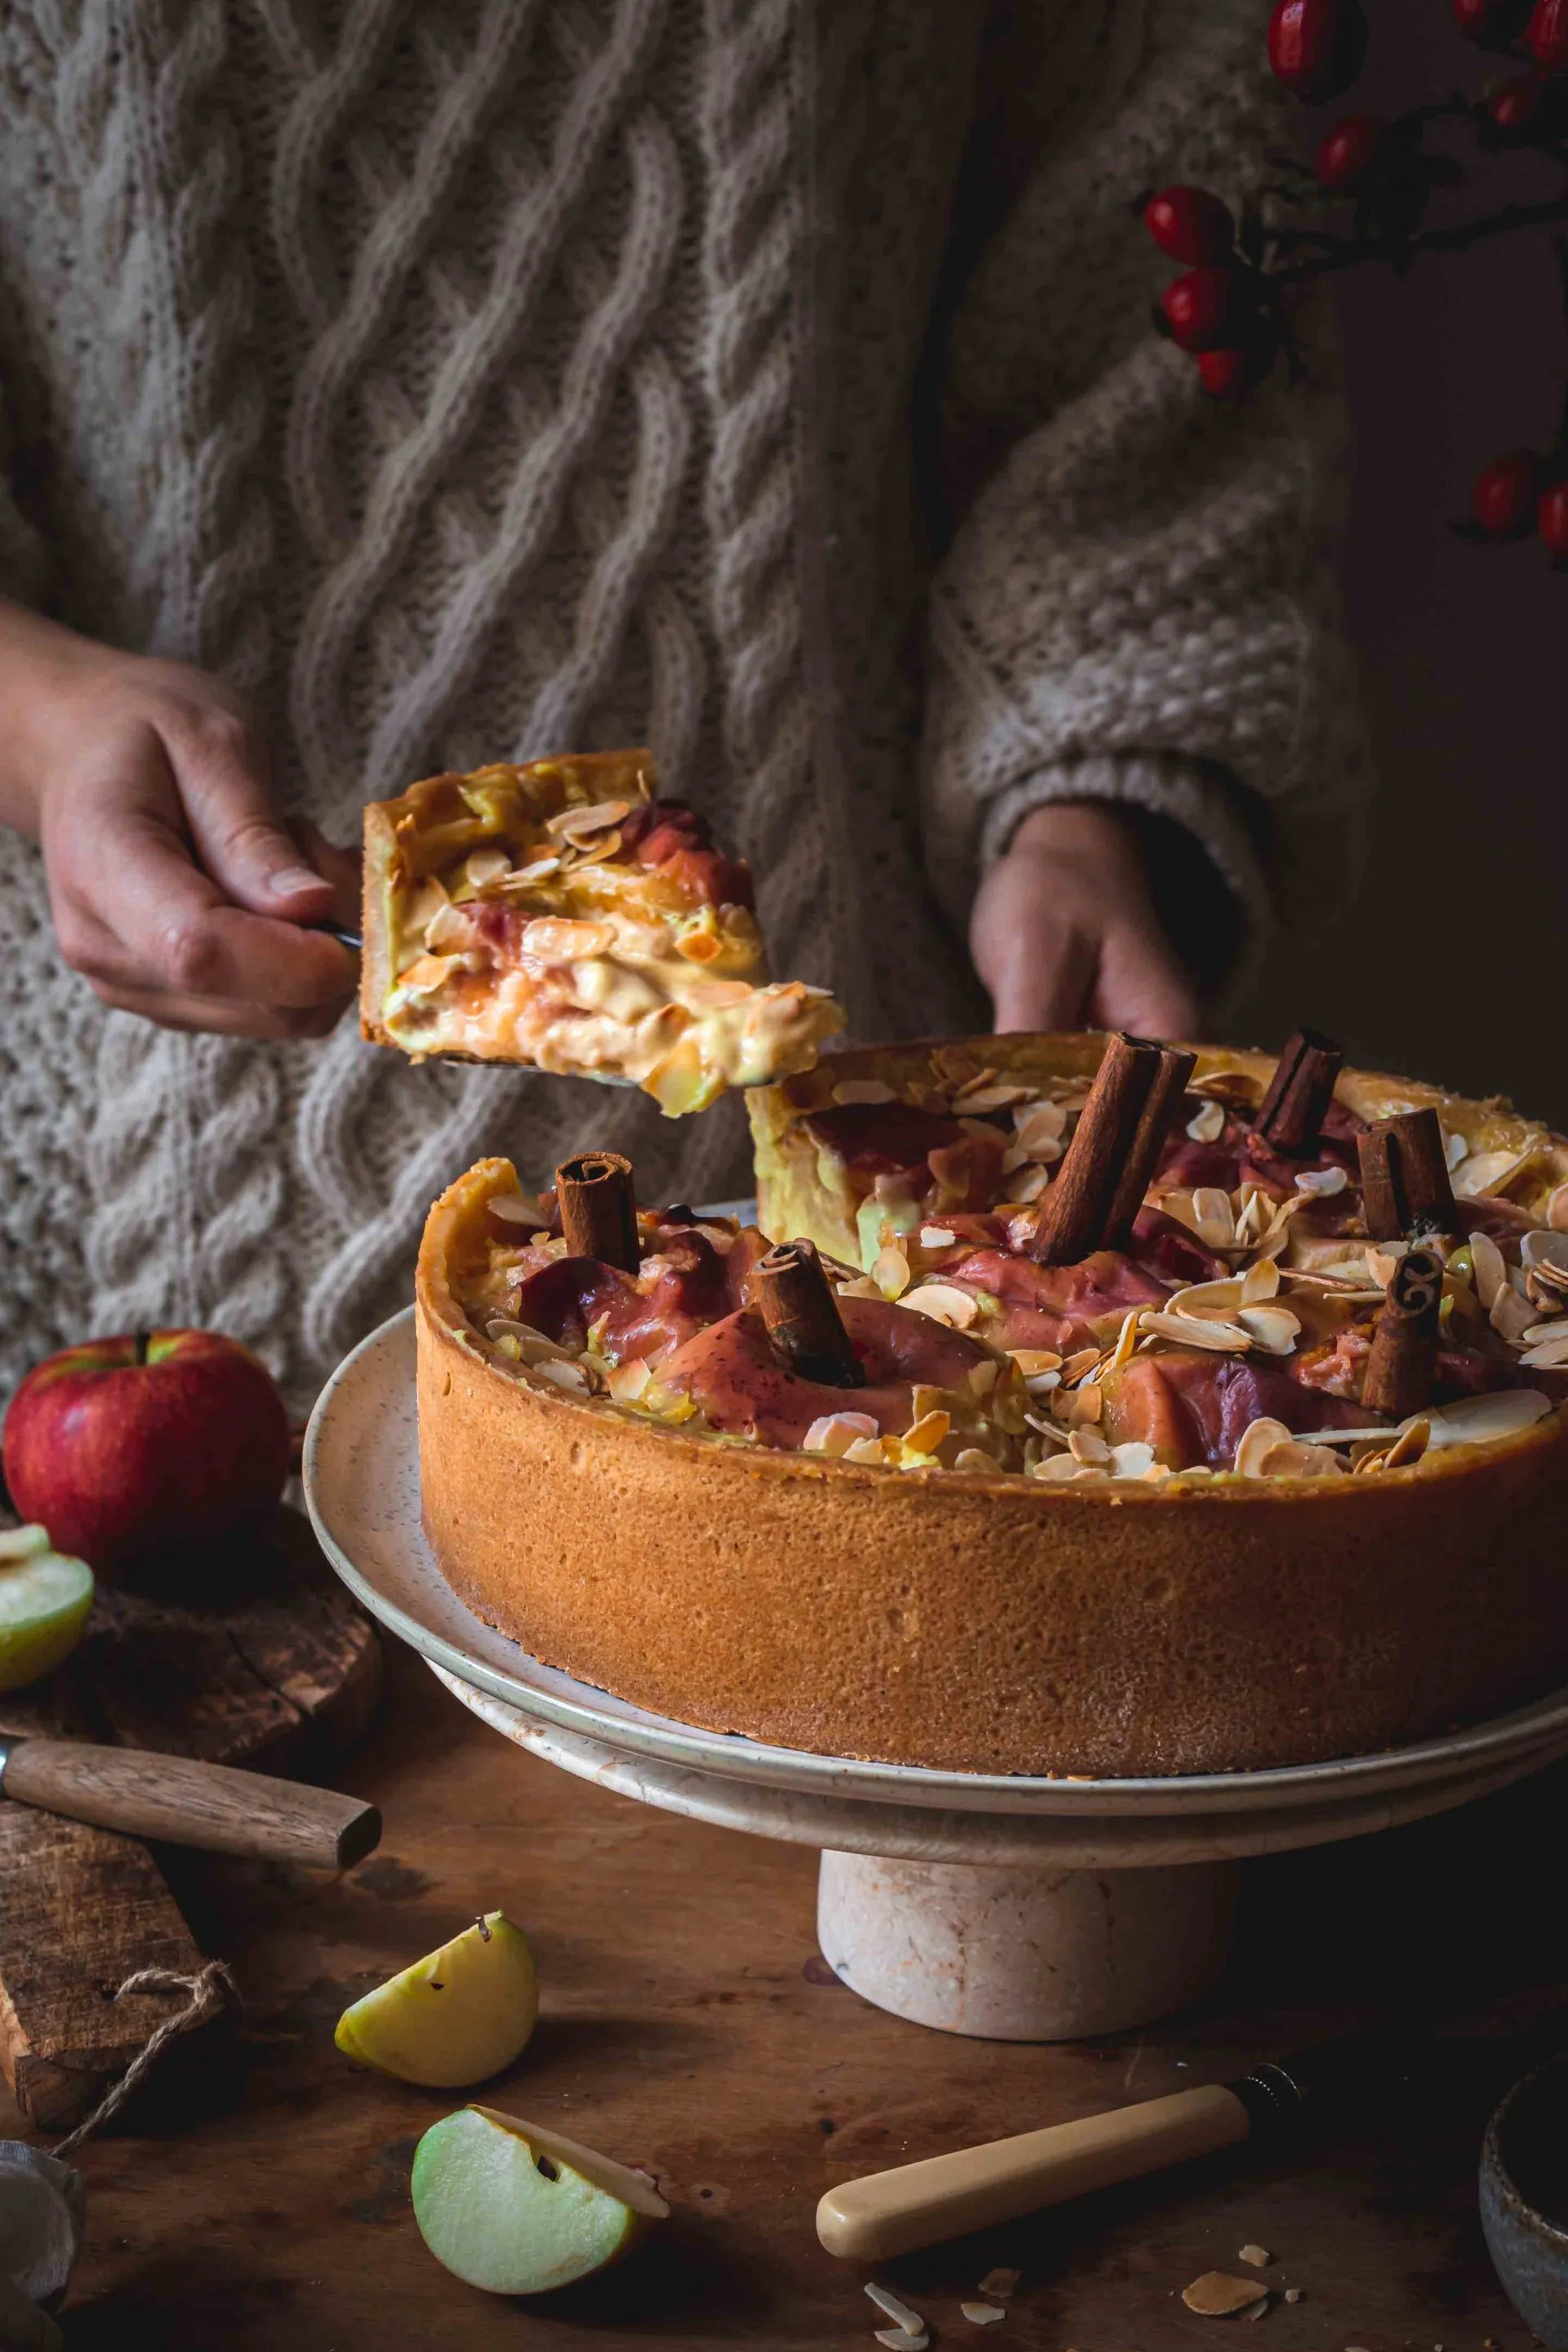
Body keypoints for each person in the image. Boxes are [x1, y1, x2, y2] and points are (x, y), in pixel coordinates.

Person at [0, 1, 1361, 1404]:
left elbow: (1137, 310)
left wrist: (1087, 811)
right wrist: (39, 723)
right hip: (136, 1188)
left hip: (901, 1172)